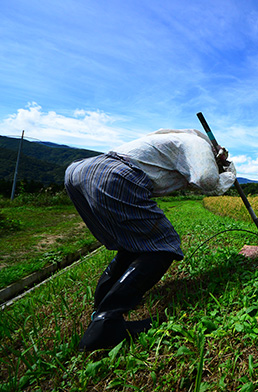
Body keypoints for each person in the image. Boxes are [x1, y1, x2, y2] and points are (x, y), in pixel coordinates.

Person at [64, 129, 236, 351]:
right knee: (163, 245)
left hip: (82, 171)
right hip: (113, 174)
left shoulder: (171, 140)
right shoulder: (197, 143)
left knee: (134, 245)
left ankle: (101, 306)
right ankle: (105, 326)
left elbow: (193, 179)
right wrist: (229, 174)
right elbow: (206, 179)